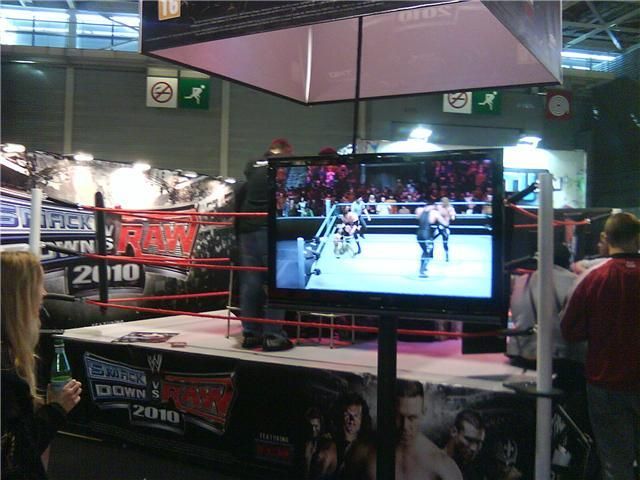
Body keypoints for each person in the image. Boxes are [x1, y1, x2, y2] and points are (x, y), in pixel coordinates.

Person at [561, 212, 640, 480]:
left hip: (606, 384)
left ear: (606, 238)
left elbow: (569, 330)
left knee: (616, 467)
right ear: (638, 239)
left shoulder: (593, 278)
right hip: (614, 384)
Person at [1, 251, 83, 480]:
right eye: (38, 285)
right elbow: (17, 456)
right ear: (19, 295)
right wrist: (56, 410)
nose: (44, 293)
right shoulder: (5, 368)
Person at [235, 138, 294, 351]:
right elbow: (279, 195)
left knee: (250, 282)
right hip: (265, 228)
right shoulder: (279, 167)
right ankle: (273, 335)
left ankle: (250, 334)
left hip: (246, 227)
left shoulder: (253, 164)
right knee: (275, 283)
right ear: (285, 153)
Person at [345, 380, 462, 480]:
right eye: (398, 417)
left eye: (412, 418)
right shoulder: (362, 452)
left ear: (423, 412)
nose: (405, 426)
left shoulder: (442, 466)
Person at [507, 243, 583, 366]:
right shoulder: (575, 281)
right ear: (567, 260)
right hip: (559, 359)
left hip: (519, 355)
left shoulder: (520, 281)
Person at [444, 410, 486, 478]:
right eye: (469, 440)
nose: (474, 448)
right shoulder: (433, 463)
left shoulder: (474, 473)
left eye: (478, 443)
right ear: (453, 432)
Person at [431, 197, 456, 262]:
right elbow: (433, 211)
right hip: (439, 227)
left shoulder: (450, 208)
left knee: (445, 243)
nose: (443, 203)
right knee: (431, 240)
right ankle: (431, 254)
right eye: (442, 201)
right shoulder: (439, 207)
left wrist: (451, 215)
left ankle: (447, 256)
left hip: (445, 227)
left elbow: (453, 218)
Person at [415, 203, 435, 277]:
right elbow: (432, 221)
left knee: (425, 251)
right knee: (427, 252)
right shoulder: (432, 213)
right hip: (426, 235)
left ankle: (423, 268)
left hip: (420, 234)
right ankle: (422, 271)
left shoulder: (420, 211)